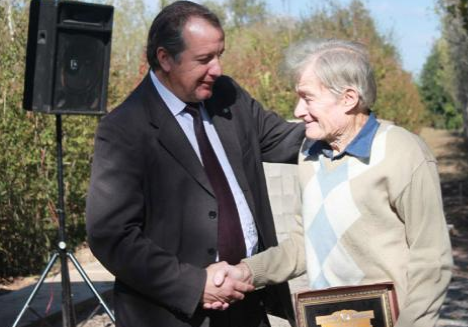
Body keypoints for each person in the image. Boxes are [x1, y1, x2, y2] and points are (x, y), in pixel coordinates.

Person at [84, 1, 304, 327]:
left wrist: (345, 127)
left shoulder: (227, 95)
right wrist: (193, 285)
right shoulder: (124, 128)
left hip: (247, 301)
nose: (217, 69)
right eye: (204, 59)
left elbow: (286, 141)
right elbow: (111, 235)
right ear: (165, 58)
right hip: (177, 314)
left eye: (219, 55)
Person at [213, 39, 453, 327]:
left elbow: (431, 261)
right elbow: (304, 245)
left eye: (308, 98)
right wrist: (246, 272)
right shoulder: (309, 155)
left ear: (349, 98)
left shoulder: (402, 152)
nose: (298, 110)